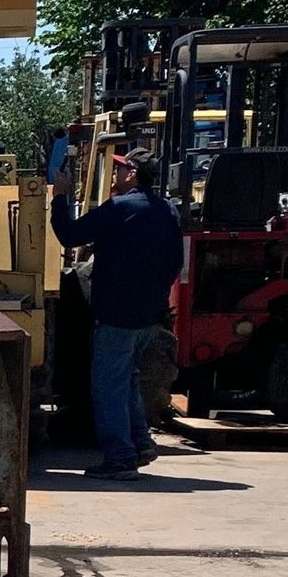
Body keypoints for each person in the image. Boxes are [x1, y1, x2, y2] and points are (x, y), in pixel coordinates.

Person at [51, 149, 184, 480]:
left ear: (134, 174)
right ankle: (139, 443)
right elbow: (175, 263)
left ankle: (121, 458)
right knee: (127, 380)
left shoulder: (121, 208)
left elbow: (69, 235)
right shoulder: (167, 210)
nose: (116, 173)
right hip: (150, 315)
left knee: (108, 386)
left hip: (118, 315)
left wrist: (60, 198)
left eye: (121, 169)